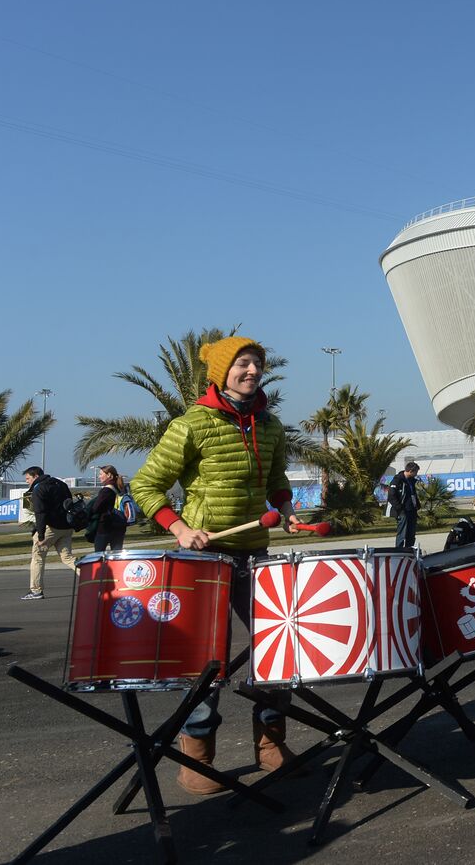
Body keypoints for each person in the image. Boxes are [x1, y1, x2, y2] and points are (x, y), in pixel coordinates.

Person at [129, 335, 299, 796]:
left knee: (278, 650)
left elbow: (278, 480)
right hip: (204, 559)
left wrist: (286, 509)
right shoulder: (192, 424)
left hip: (256, 554)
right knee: (209, 661)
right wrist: (181, 529)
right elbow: (146, 486)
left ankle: (270, 743)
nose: (251, 372)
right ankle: (197, 756)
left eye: (257, 365)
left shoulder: (271, 425)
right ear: (221, 372)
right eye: (242, 364)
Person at [19, 466, 77, 600]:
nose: (27, 482)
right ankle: (92, 578)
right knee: (67, 557)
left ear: (35, 476)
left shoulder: (39, 488)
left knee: (38, 557)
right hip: (67, 526)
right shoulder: (61, 484)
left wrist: (40, 535)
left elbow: (40, 513)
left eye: (28, 478)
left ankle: (36, 591)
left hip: (51, 528)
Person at [88, 465, 130, 550]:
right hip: (120, 525)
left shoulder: (106, 490)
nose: (99, 476)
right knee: (117, 555)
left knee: (99, 555)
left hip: (105, 526)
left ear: (109, 475)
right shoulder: (119, 488)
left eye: (100, 474)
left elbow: (96, 508)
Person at [388, 461, 421, 549]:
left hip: (411, 510)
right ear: (411, 471)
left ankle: (409, 551)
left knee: (411, 534)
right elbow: (391, 496)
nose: (416, 474)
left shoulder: (411, 481)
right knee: (402, 533)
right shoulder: (397, 480)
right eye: (416, 472)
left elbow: (412, 494)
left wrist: (417, 505)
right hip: (403, 511)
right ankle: (399, 551)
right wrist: (400, 509)